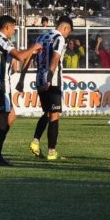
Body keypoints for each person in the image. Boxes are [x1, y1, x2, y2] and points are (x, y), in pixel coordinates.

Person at [0, 15, 41, 166]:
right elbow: (20, 57)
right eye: (13, 29)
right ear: (7, 27)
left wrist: (29, 51)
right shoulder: (1, 39)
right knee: (2, 119)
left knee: (11, 116)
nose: (13, 32)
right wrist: (33, 48)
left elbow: (16, 53)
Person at [29, 16, 73, 161]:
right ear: (65, 28)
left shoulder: (43, 36)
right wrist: (49, 78)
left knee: (47, 112)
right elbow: (55, 58)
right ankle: (51, 151)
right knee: (54, 114)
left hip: (39, 78)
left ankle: (35, 141)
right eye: (68, 32)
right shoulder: (59, 38)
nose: (67, 35)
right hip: (52, 80)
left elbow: (32, 55)